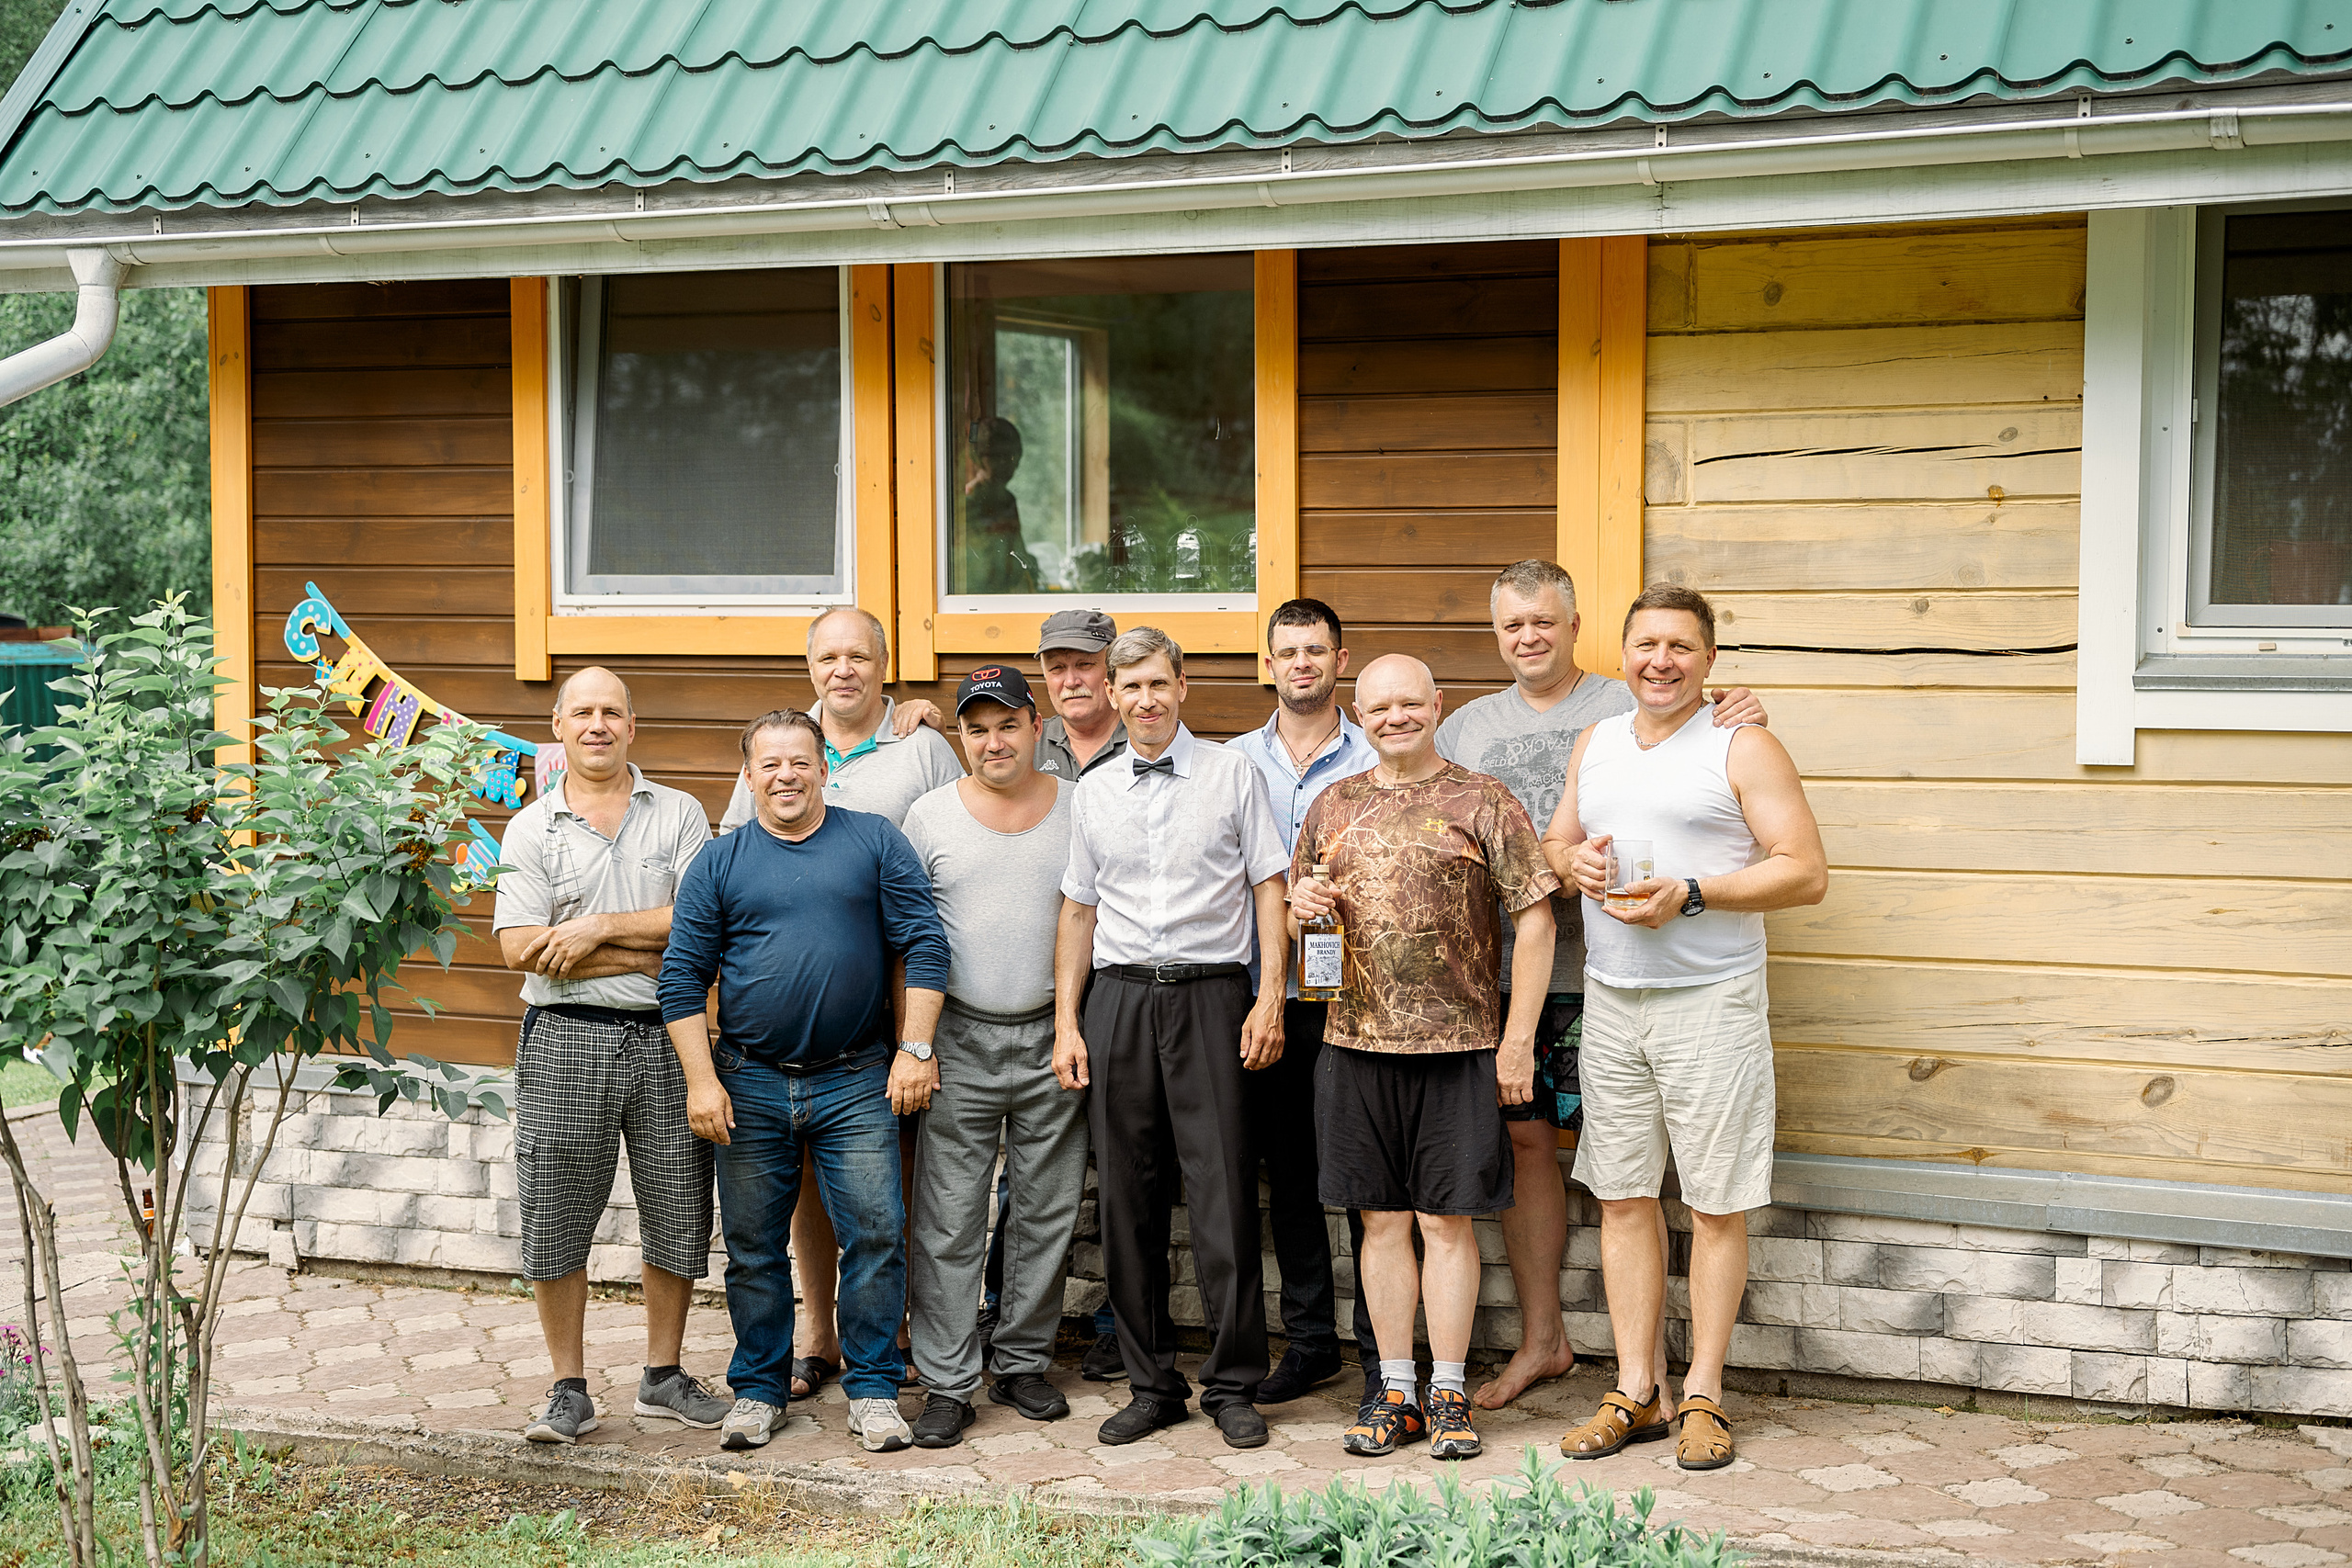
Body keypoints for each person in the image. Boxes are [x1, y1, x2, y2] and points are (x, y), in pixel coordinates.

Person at [1432, 559, 1766, 1413]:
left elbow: (1722, 744)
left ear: (1576, 627)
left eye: (1543, 620)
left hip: (1612, 976)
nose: (1528, 637)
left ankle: (1681, 1382)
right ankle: (1559, 1344)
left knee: (1660, 1176)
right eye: (1512, 624)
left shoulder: (1633, 700)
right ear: (1496, 632)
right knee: (1536, 1150)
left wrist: (1748, 710)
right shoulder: (1470, 726)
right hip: (1509, 974)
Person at [1544, 584, 1827, 1472]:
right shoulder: (1595, 743)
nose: (1660, 660)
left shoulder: (1743, 744)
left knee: (1713, 1202)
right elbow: (1558, 844)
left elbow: (1806, 870)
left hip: (1711, 1001)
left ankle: (1704, 1390)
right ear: (1621, 653)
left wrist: (1693, 894)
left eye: (1679, 645)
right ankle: (1637, 1388)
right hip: (1613, 999)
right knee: (1623, 1195)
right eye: (1645, 644)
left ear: (1708, 660)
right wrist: (1575, 860)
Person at [659, 708, 952, 1455]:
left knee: (876, 1237)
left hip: (856, 1078)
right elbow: (682, 979)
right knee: (754, 1246)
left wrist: (914, 1047)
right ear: (749, 775)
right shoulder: (721, 863)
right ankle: (758, 1391)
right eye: (770, 763)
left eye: (800, 760)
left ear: (824, 767)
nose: (785, 774)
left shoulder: (873, 841)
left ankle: (876, 1389)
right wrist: (701, 1081)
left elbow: (923, 942)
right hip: (749, 1081)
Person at [1287, 655, 1557, 1461]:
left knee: (1445, 1221)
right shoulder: (1333, 803)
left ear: (1437, 705)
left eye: (1411, 701)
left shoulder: (1483, 799)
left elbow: (1536, 922)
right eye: (1379, 705)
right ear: (1358, 714)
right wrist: (1302, 911)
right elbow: (1307, 922)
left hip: (1459, 1045)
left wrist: (1516, 1041)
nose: (1395, 715)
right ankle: (1394, 1389)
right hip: (1354, 1043)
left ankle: (1447, 1390)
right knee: (1379, 1220)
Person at [1052, 626, 1290, 1450]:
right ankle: (1151, 1382)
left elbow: (1270, 885)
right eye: (1131, 687)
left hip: (1214, 998)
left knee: (1223, 1192)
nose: (1146, 700)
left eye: (1160, 683)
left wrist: (1269, 1000)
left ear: (1182, 686)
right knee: (1126, 1198)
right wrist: (1066, 1022)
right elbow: (1079, 909)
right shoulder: (1094, 789)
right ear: (1112, 697)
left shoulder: (1233, 772)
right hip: (1118, 1001)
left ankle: (1232, 1384)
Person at [718, 608, 963, 1399]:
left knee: (887, 1185)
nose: (844, 668)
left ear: (886, 665)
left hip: (890, 997)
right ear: (811, 665)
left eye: (859, 654)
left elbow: (941, 859)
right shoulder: (783, 745)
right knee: (808, 1188)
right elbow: (732, 861)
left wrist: (918, 1036)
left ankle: (890, 1335)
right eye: (829, 656)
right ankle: (818, 1335)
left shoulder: (922, 745)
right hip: (793, 1013)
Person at [491, 667, 728, 1445]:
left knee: (678, 1205)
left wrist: (590, 930)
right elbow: (521, 947)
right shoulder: (531, 826)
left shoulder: (681, 812)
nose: (597, 724)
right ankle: (569, 1388)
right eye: (582, 712)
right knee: (555, 1210)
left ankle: (662, 1376)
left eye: (611, 712)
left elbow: (696, 921)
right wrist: (639, 949)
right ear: (558, 726)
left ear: (633, 725)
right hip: (563, 1035)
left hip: (669, 1036)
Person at [901, 667, 1086, 1447]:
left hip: (1054, 1032)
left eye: (1006, 724)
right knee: (948, 1218)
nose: (993, 740)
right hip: (959, 1039)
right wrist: (913, 1043)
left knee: (1046, 1209)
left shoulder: (1081, 809)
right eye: (975, 728)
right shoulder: (928, 817)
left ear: (1036, 725)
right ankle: (947, 1379)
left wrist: (1073, 1025)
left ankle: (1021, 1361)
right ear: (961, 737)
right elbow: (907, 938)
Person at [1225, 599, 1378, 1406]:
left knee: (1363, 1175)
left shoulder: (1379, 746)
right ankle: (1311, 1340)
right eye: (1287, 651)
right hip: (1267, 995)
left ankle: (1382, 1351)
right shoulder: (1233, 761)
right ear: (1270, 664)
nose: (1302, 663)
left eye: (1316, 649)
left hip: (1358, 995)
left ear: (1340, 657)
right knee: (1288, 1173)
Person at [1023, 606, 1130, 1380]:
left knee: (1129, 1160)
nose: (1071, 679)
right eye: (1057, 667)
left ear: (1113, 668)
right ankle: (1010, 1310)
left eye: (1085, 664)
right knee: (1035, 1162)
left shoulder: (1146, 733)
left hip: (1125, 978)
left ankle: (1123, 1318)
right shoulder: (1031, 740)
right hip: (1041, 981)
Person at [961, 415, 1042, 593]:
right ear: (977, 457)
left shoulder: (1008, 500)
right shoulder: (967, 502)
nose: (1006, 465)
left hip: (1006, 596)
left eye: (1012, 457)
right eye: (996, 457)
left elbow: (1017, 551)